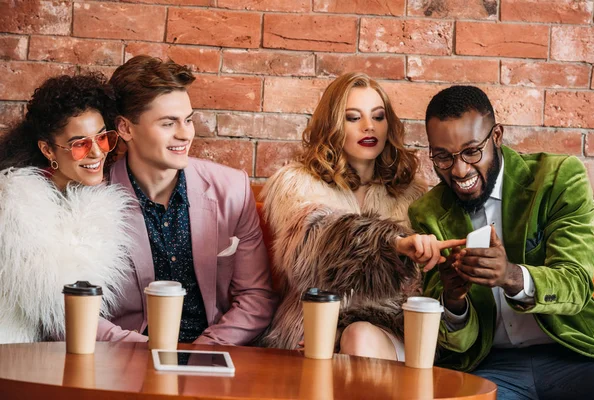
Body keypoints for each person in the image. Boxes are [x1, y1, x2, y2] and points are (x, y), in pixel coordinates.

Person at [408, 85, 594, 399]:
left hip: (573, 353)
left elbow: (576, 285)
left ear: (496, 136)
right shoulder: (428, 213)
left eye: (471, 151)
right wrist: (454, 301)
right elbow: (454, 342)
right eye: (443, 157)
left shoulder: (557, 179)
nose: (459, 170)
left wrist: (510, 276)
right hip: (491, 366)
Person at [260, 72, 464, 361]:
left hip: (390, 327)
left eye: (378, 117)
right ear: (332, 124)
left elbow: (419, 287)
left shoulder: (412, 194)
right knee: (343, 341)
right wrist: (389, 244)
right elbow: (309, 251)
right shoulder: (296, 184)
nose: (369, 127)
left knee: (359, 336)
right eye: (353, 118)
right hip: (314, 327)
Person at [105, 55, 277, 345]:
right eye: (168, 123)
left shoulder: (232, 190)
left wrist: (204, 349)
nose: (185, 134)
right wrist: (144, 350)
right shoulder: (93, 199)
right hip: (126, 357)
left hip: (212, 351)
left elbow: (256, 297)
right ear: (125, 128)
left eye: (188, 120)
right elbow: (72, 307)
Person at [0, 73, 145, 343]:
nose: (97, 153)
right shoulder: (16, 203)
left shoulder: (92, 200)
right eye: (80, 144)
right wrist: (127, 341)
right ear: (48, 150)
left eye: (102, 138)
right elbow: (57, 305)